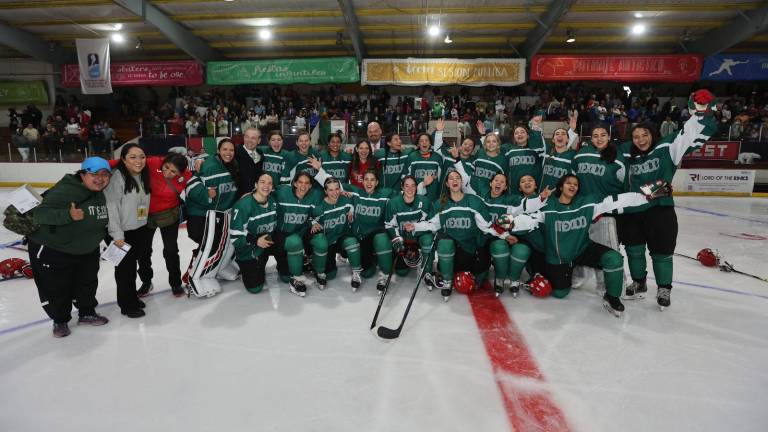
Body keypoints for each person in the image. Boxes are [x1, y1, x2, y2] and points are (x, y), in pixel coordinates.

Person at [619, 90, 718, 309]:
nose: (640, 139)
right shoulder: (625, 153)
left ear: (652, 134)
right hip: (632, 212)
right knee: (634, 251)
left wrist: (701, 111)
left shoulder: (667, 148)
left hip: (660, 209)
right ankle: (639, 282)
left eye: (644, 135)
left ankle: (664, 288)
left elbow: (690, 133)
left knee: (661, 253)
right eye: (636, 136)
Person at [506, 174, 654, 317]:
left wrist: (646, 194)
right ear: (560, 187)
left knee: (613, 258)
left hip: (582, 249)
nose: (572, 186)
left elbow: (617, 200)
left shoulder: (587, 203)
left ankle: (612, 297)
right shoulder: (549, 206)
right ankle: (541, 273)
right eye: (569, 183)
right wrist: (511, 222)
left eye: (576, 184)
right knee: (560, 293)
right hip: (560, 257)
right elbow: (530, 219)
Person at [28, 157, 111, 338]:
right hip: (56, 249)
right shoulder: (65, 190)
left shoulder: (98, 192)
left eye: (105, 174)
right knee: (58, 287)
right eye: (94, 174)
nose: (100, 178)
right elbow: (39, 213)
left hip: (87, 249)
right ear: (82, 175)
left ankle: (87, 312)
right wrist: (68, 215)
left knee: (87, 283)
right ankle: (60, 320)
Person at [407, 170, 513, 301]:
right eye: (451, 178)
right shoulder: (441, 203)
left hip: (472, 250)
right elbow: (432, 224)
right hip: (453, 251)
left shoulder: (474, 201)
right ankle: (447, 280)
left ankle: (487, 275)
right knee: (445, 243)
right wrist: (415, 226)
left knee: (480, 275)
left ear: (462, 182)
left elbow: (487, 226)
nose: (455, 180)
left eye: (457, 178)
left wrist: (505, 235)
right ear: (447, 183)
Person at [104, 144, 152, 318]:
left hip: (138, 229)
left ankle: (131, 298)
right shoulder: (117, 178)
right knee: (125, 272)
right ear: (123, 159)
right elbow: (112, 208)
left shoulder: (142, 176)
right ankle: (126, 305)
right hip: (121, 234)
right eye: (133, 157)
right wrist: (117, 235)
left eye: (142, 156)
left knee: (131, 268)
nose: (139, 161)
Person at [138, 152, 191, 297]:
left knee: (171, 250)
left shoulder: (186, 176)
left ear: (181, 172)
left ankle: (175, 283)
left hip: (169, 215)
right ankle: (146, 282)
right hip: (146, 215)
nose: (168, 173)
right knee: (143, 251)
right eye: (166, 167)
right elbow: (127, 160)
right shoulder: (154, 162)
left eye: (173, 171)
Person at [271, 171, 323, 296]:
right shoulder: (283, 191)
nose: (303, 186)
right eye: (300, 182)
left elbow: (318, 211)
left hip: (301, 232)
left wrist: (314, 221)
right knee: (284, 277)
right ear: (294, 183)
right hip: (282, 235)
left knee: (320, 239)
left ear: (310, 185)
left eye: (306, 183)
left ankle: (309, 271)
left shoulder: (314, 195)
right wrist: (251, 193)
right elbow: (265, 192)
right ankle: (291, 267)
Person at [184, 139, 239, 255]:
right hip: (201, 214)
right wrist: (206, 194)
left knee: (219, 245)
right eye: (224, 149)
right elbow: (189, 187)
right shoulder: (209, 166)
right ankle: (199, 264)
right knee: (208, 244)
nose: (228, 153)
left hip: (220, 214)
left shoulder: (235, 165)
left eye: (231, 150)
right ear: (218, 151)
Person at [344, 170, 394, 291]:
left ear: (377, 182)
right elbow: (334, 185)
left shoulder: (385, 194)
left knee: (382, 239)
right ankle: (374, 259)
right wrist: (320, 171)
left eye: (372, 180)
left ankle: (385, 274)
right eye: (366, 179)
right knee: (367, 273)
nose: (369, 182)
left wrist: (422, 186)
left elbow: (407, 193)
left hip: (376, 235)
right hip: (362, 238)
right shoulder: (356, 192)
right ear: (362, 181)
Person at [384, 175, 437, 288]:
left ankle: (426, 271)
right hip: (403, 239)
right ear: (402, 187)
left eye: (413, 186)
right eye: (407, 186)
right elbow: (389, 225)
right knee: (402, 272)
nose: (410, 189)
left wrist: (416, 226)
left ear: (417, 188)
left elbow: (432, 224)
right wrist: (397, 238)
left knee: (428, 239)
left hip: (418, 236)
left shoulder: (424, 202)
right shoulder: (393, 203)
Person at [309, 177, 362, 290]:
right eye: (331, 190)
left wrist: (351, 213)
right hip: (328, 242)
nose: (335, 193)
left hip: (341, 237)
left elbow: (352, 205)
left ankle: (356, 272)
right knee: (331, 275)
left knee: (352, 242)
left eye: (337, 189)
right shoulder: (320, 208)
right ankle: (319, 271)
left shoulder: (346, 200)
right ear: (325, 191)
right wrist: (313, 222)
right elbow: (309, 217)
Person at [229, 173, 278, 294]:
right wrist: (255, 240)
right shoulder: (243, 205)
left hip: (267, 242)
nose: (266, 185)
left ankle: (280, 266)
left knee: (289, 244)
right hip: (249, 248)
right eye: (262, 182)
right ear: (255, 184)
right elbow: (235, 237)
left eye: (269, 183)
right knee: (255, 288)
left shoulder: (272, 201)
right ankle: (248, 264)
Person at [235, 127, 264, 195]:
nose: (249, 140)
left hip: (255, 195)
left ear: (259, 141)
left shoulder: (260, 154)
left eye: (253, 138)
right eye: (247, 137)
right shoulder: (235, 153)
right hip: (239, 197)